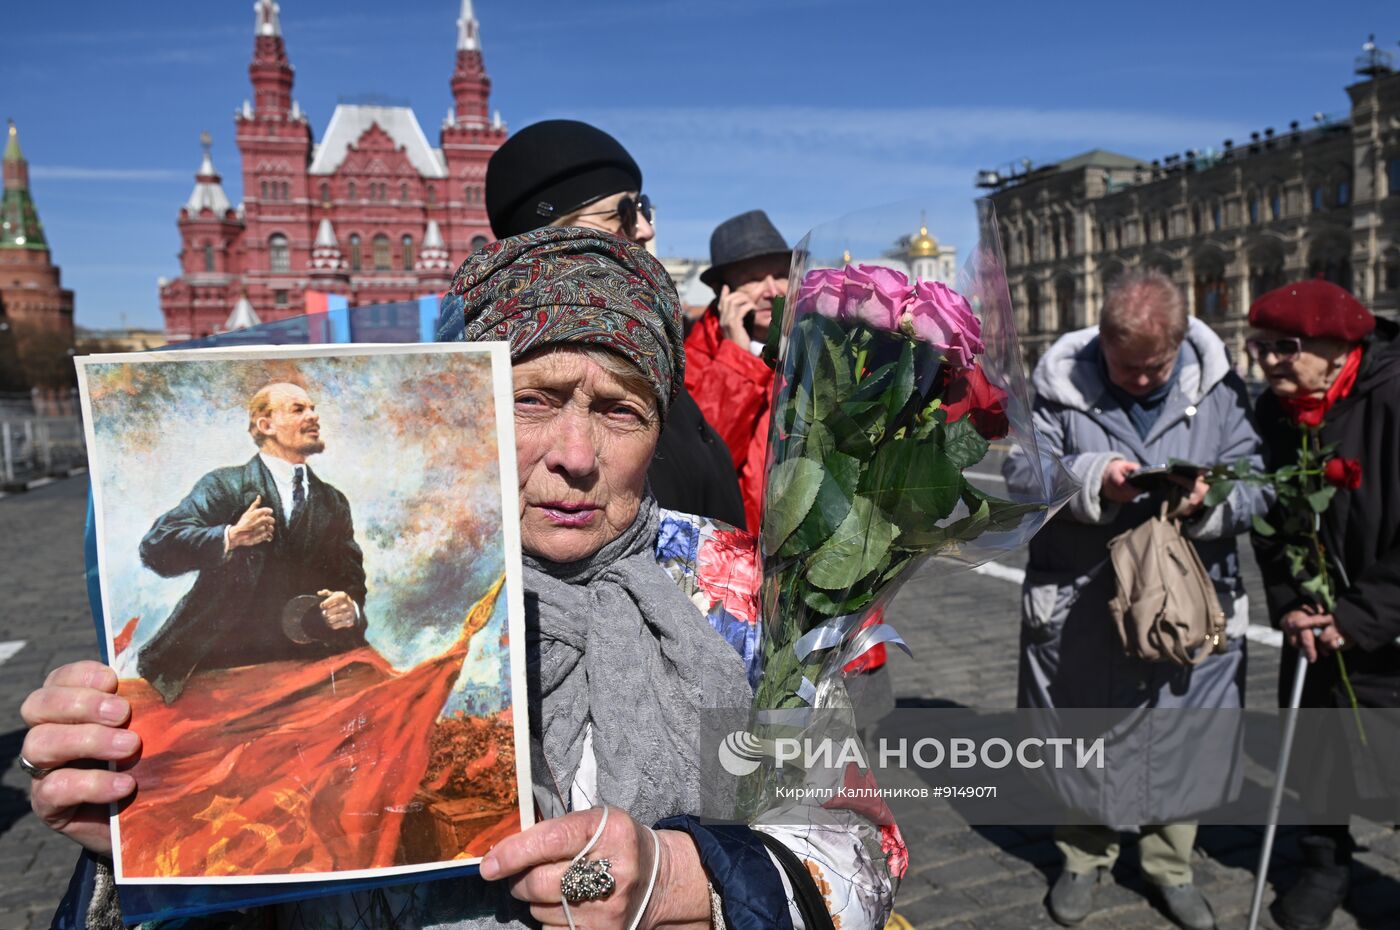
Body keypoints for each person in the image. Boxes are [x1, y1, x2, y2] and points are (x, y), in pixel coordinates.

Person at [22, 228, 900, 930]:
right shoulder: (409, 628)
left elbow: (853, 844)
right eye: (535, 399)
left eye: (619, 410)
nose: (576, 456)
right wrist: (146, 843)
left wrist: (689, 881)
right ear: (472, 399)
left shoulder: (739, 598)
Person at [1003, 269, 1268, 930]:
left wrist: (1212, 501)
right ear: (1100, 341)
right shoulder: (1058, 386)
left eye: (1156, 367)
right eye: (1127, 367)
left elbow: (1259, 484)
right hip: (1084, 601)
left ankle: (1169, 866)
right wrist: (1095, 477)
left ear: (1180, 343)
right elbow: (1022, 474)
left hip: (1183, 603)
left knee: (1183, 730)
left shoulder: (1220, 388)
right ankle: (1082, 856)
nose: (1144, 380)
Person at [478, 118, 748, 530]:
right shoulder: (504, 362)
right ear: (555, 233)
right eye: (625, 211)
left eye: (644, 207)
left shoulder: (646, 344)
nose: (646, 227)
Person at [1246, 279, 1400, 930]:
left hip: (1387, 622)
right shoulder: (1274, 412)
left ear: (1341, 347)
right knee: (1316, 747)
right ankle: (1323, 861)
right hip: (1315, 619)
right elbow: (1274, 520)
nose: (1271, 361)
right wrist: (1288, 602)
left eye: (1287, 347)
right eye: (1261, 348)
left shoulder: (1393, 397)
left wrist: (1363, 616)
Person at [135, 381, 367, 703]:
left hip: (310, 666)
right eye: (299, 409)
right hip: (223, 666)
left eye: (313, 408)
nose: (313, 416)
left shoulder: (333, 501)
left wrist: (349, 606)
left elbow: (351, 578)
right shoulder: (225, 486)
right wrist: (229, 536)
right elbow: (157, 546)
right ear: (265, 425)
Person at [685, 209, 788, 534]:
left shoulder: (823, 345)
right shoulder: (691, 360)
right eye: (754, 278)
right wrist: (738, 357)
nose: (771, 290)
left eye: (781, 274)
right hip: (737, 550)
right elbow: (706, 460)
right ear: (724, 292)